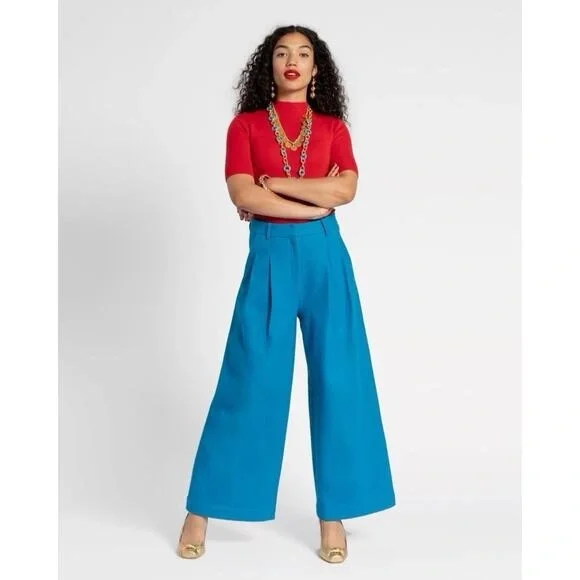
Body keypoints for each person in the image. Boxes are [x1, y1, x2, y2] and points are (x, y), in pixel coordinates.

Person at [177, 24, 396, 564]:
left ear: (317, 68)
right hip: (271, 257)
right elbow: (241, 191)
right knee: (250, 380)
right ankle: (201, 508)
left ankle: (333, 515)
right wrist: (312, 203)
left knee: (341, 381)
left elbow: (346, 188)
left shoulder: (333, 127)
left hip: (327, 260)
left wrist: (275, 185)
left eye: (303, 53)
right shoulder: (245, 126)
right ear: (268, 64)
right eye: (281, 52)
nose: (292, 60)